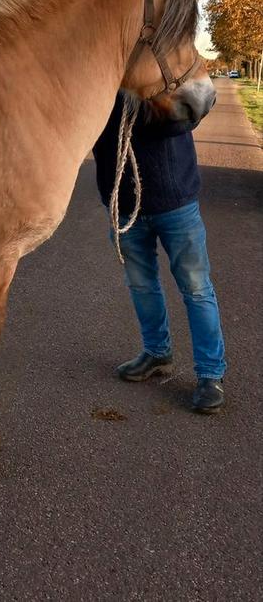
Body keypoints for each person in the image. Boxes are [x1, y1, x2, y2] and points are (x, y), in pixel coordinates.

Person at [92, 92, 226, 413]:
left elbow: (195, 106)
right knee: (141, 286)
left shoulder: (161, 65)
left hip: (176, 202)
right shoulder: (101, 76)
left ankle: (210, 375)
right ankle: (156, 351)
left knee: (196, 289)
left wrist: (151, 108)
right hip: (125, 207)